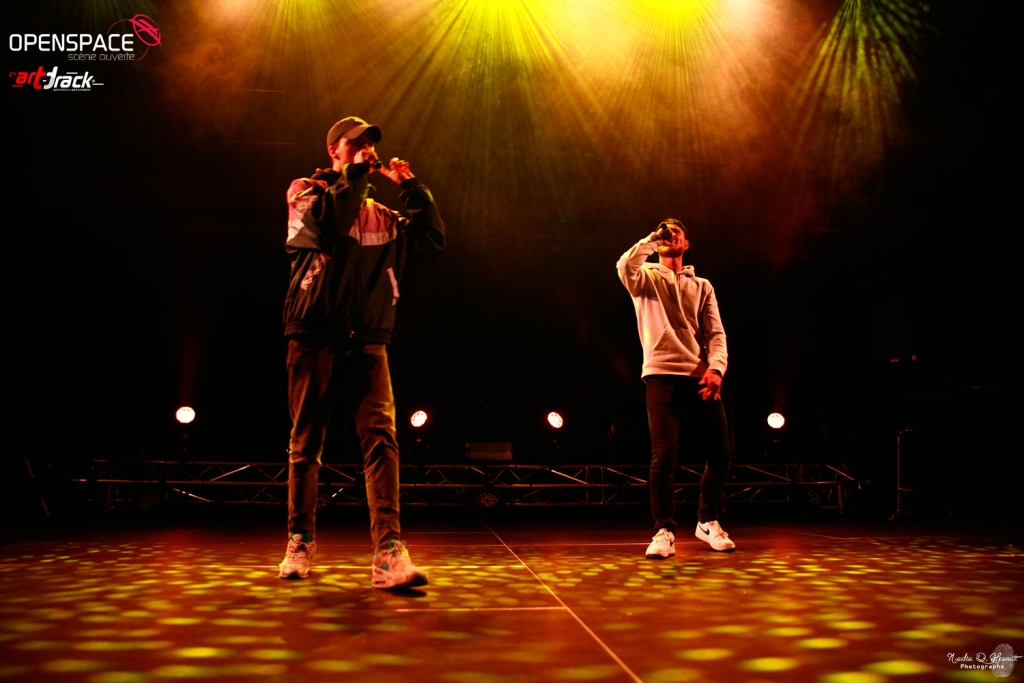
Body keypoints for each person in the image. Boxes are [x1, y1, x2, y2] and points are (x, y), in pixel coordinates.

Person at [278, 116, 445, 588]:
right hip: (314, 334)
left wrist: (410, 186)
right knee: (306, 444)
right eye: (356, 144)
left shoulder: (383, 216)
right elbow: (331, 225)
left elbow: (432, 240)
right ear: (335, 150)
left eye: (370, 144)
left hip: (370, 338)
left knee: (382, 441)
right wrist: (354, 176)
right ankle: (300, 541)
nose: (367, 150)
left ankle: (389, 553)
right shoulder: (305, 192)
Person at [616, 219, 736, 558]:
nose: (670, 235)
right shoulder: (644, 278)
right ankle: (664, 529)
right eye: (664, 231)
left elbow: (715, 333)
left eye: (676, 232)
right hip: (660, 374)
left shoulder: (702, 285)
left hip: (699, 375)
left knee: (720, 455)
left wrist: (716, 368)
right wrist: (653, 239)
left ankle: (707, 520)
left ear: (686, 244)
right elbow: (624, 265)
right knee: (664, 454)